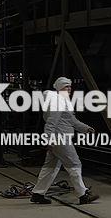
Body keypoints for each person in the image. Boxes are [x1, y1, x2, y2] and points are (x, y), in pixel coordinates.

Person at [30, 77, 99, 205]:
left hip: (57, 139)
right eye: (66, 87)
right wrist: (48, 138)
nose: (69, 89)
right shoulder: (58, 102)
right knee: (74, 164)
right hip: (60, 138)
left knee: (50, 168)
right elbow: (51, 122)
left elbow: (72, 121)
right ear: (59, 88)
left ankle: (38, 194)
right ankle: (83, 195)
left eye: (69, 86)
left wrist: (85, 128)